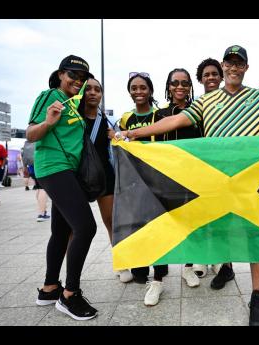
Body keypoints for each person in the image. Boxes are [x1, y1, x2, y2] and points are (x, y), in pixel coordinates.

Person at [113, 45, 259, 326]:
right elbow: (173, 121)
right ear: (224, 66)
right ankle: (221, 269)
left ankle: (256, 296)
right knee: (221, 230)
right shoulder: (206, 101)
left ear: (246, 68)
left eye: (239, 64)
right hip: (216, 182)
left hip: (251, 182)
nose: (233, 68)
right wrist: (131, 133)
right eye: (229, 63)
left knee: (255, 235)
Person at [27, 55, 98, 320]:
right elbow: (31, 133)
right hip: (54, 167)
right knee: (86, 227)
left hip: (65, 170)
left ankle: (49, 288)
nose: (77, 82)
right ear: (60, 74)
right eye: (72, 76)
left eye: (82, 79)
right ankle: (70, 295)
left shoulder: (73, 104)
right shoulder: (50, 96)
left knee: (61, 230)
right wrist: (48, 123)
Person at [113, 72, 169, 306]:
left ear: (150, 90)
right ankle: (140, 263)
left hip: (155, 179)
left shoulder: (160, 114)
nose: (138, 92)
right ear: (129, 91)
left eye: (143, 87)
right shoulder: (126, 118)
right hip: (133, 181)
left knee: (157, 226)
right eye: (134, 88)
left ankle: (159, 274)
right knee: (137, 225)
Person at [77, 77, 133, 283]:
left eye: (97, 89)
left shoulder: (108, 122)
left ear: (101, 94)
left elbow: (123, 145)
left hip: (105, 177)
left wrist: (116, 137)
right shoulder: (75, 119)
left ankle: (121, 262)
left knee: (112, 221)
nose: (93, 92)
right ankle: (72, 270)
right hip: (78, 176)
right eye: (88, 89)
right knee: (74, 227)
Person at [155, 68, 203, 289]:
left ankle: (188, 267)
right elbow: (153, 148)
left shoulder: (199, 111)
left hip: (192, 178)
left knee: (190, 224)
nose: (180, 87)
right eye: (175, 83)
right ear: (168, 86)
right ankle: (156, 281)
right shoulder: (161, 114)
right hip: (166, 178)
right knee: (163, 227)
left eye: (185, 83)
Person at [193, 58, 224, 278]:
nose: (211, 77)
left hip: (222, 168)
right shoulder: (197, 104)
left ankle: (219, 258)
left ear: (221, 76)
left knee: (221, 216)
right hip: (199, 167)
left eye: (215, 73)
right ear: (200, 79)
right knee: (201, 215)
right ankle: (202, 259)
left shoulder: (231, 100)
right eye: (206, 75)